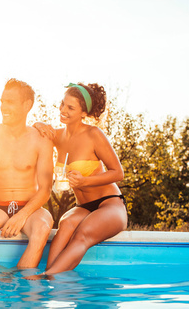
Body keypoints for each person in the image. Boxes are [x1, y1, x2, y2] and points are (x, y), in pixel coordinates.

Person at [36, 82, 127, 275]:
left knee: (82, 234)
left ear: (83, 113)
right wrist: (38, 125)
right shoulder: (57, 136)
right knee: (65, 224)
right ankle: (49, 275)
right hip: (82, 207)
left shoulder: (94, 135)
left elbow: (118, 172)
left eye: (70, 108)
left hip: (109, 204)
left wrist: (85, 181)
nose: (63, 110)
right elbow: (35, 135)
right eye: (62, 104)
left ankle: (46, 277)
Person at [0, 79, 53, 268]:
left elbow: (46, 189)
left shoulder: (41, 140)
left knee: (43, 227)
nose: (3, 107)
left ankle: (22, 283)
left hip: (30, 209)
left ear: (27, 105)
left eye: (10, 102)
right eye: (2, 101)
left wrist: (22, 215)